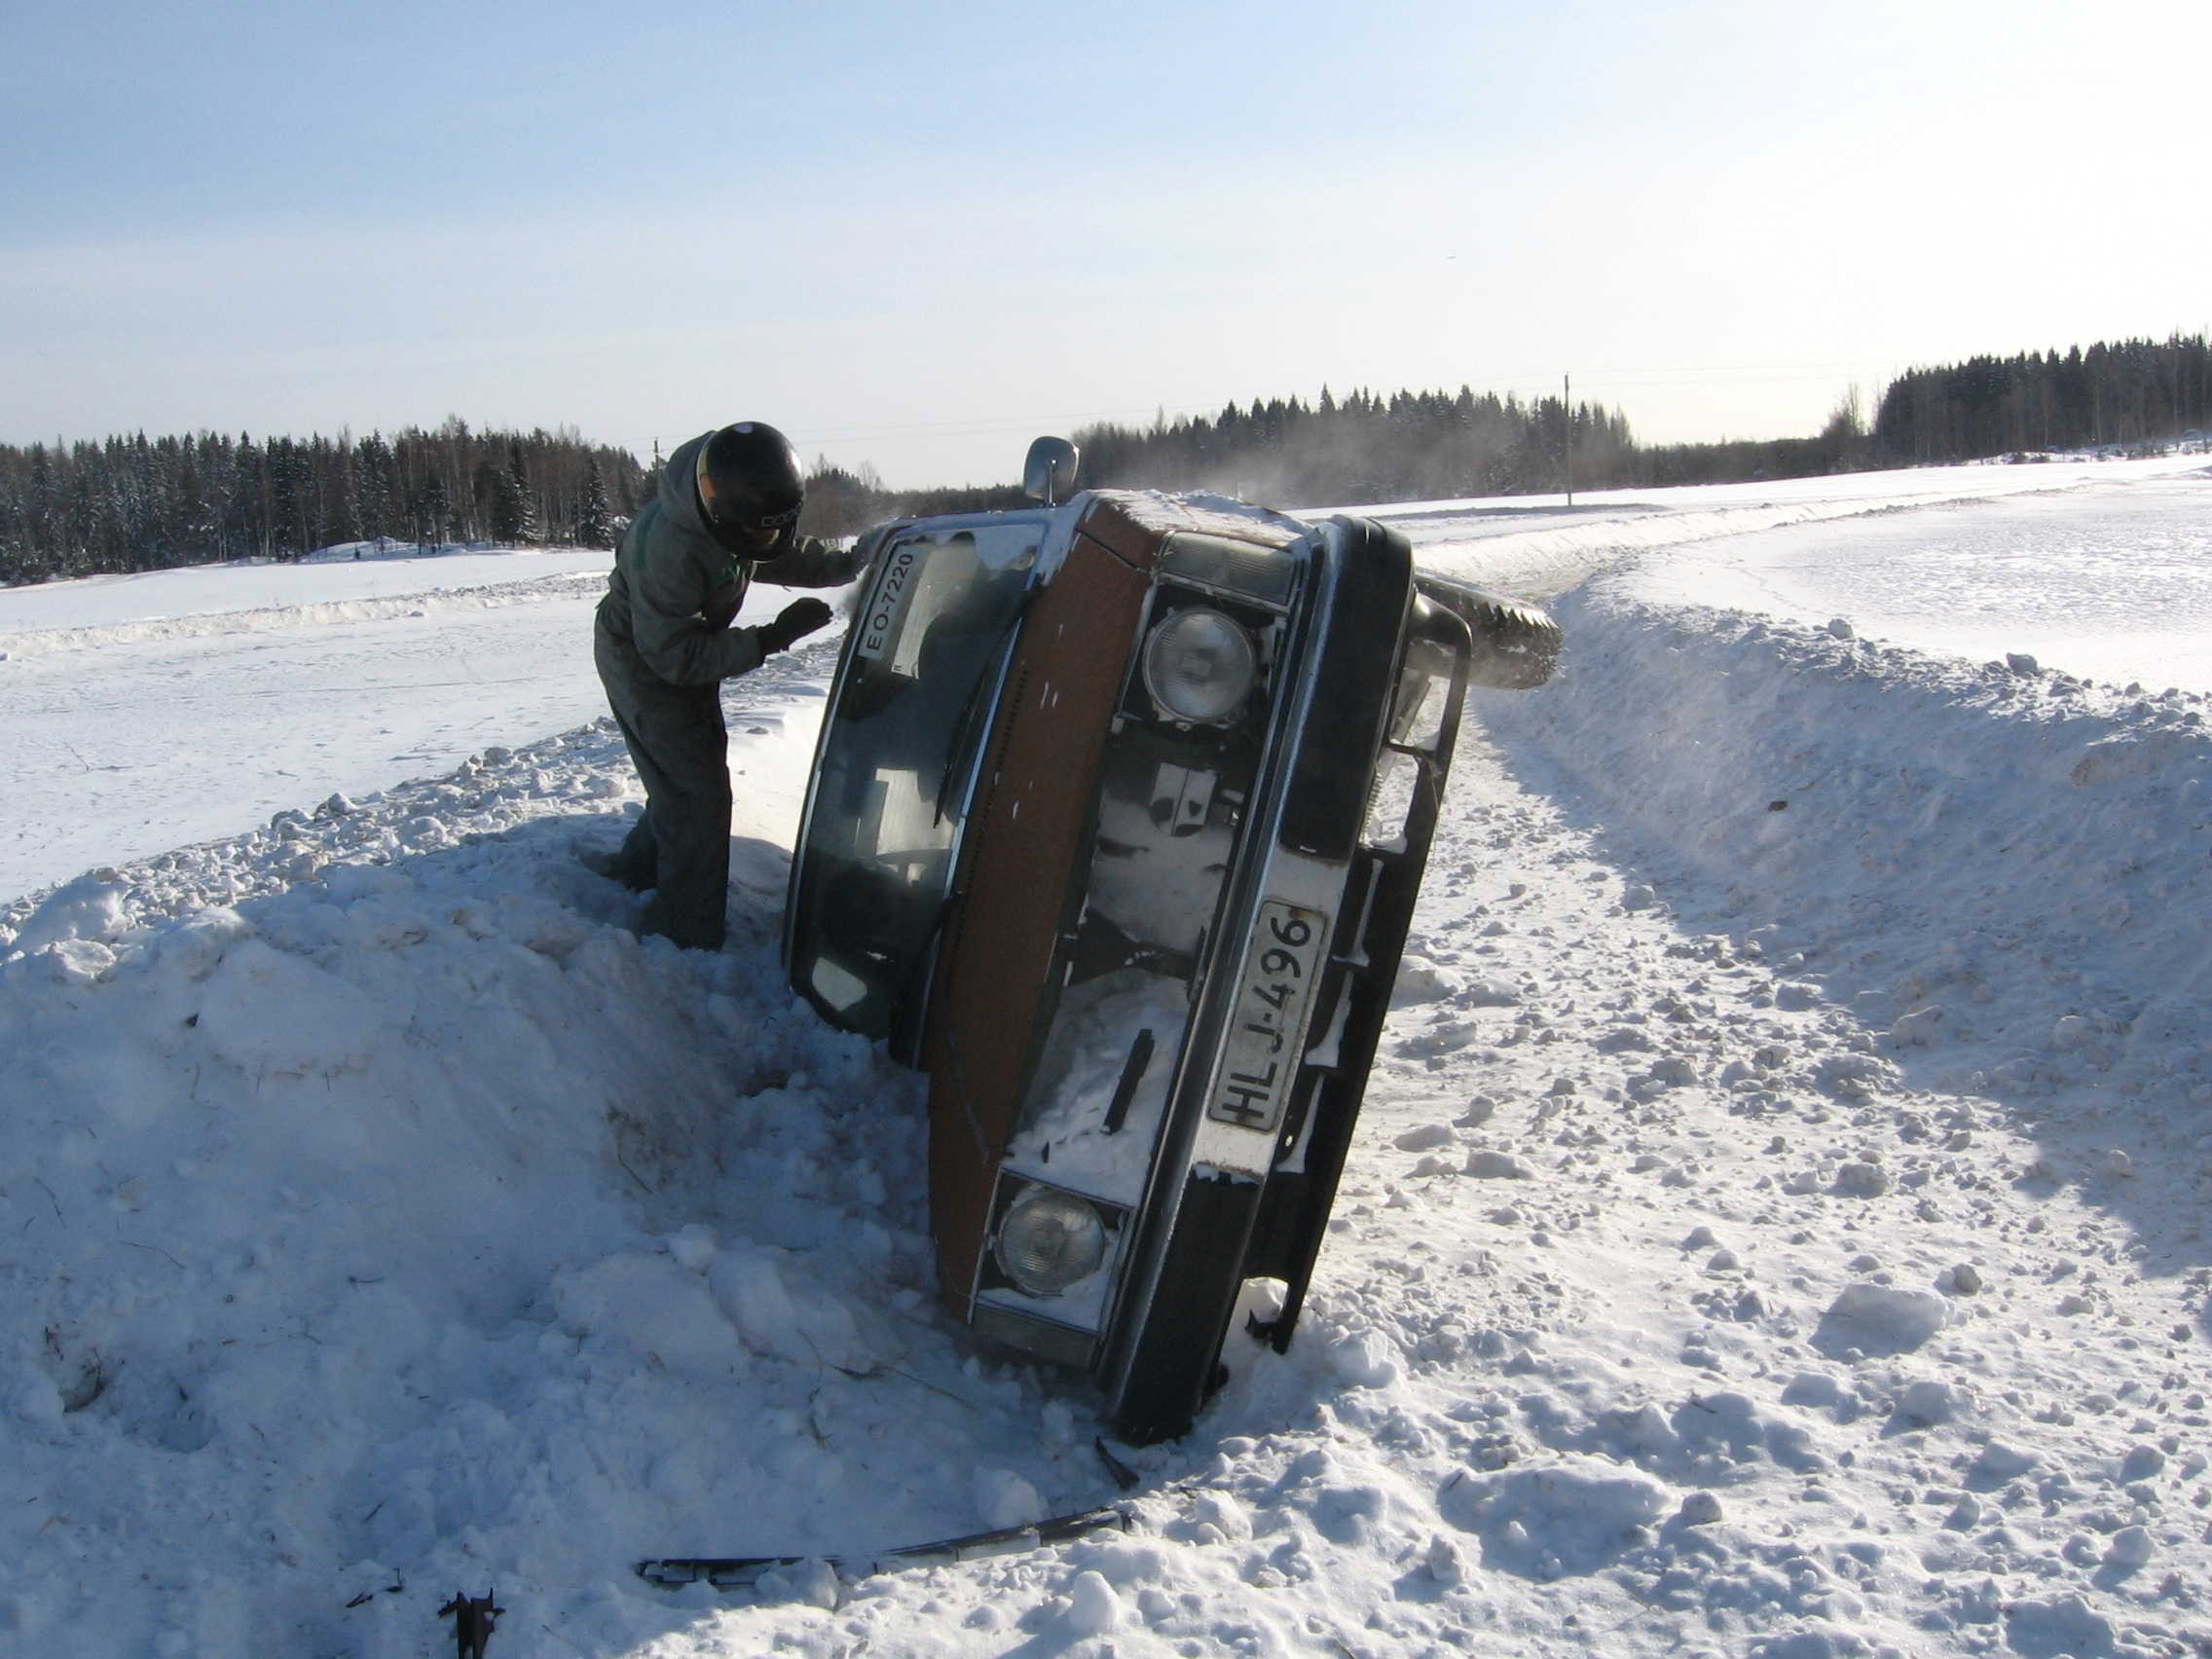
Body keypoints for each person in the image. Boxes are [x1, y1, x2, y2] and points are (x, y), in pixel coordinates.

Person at [590, 422, 862, 949]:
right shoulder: (673, 550)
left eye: (769, 530)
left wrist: (843, 564)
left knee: (688, 774)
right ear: (719, 512)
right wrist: (771, 637)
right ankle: (682, 938)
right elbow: (673, 658)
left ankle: (637, 871)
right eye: (753, 532)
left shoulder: (734, 517)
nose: (762, 541)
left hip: (685, 646)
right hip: (645, 658)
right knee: (698, 796)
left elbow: (770, 550)